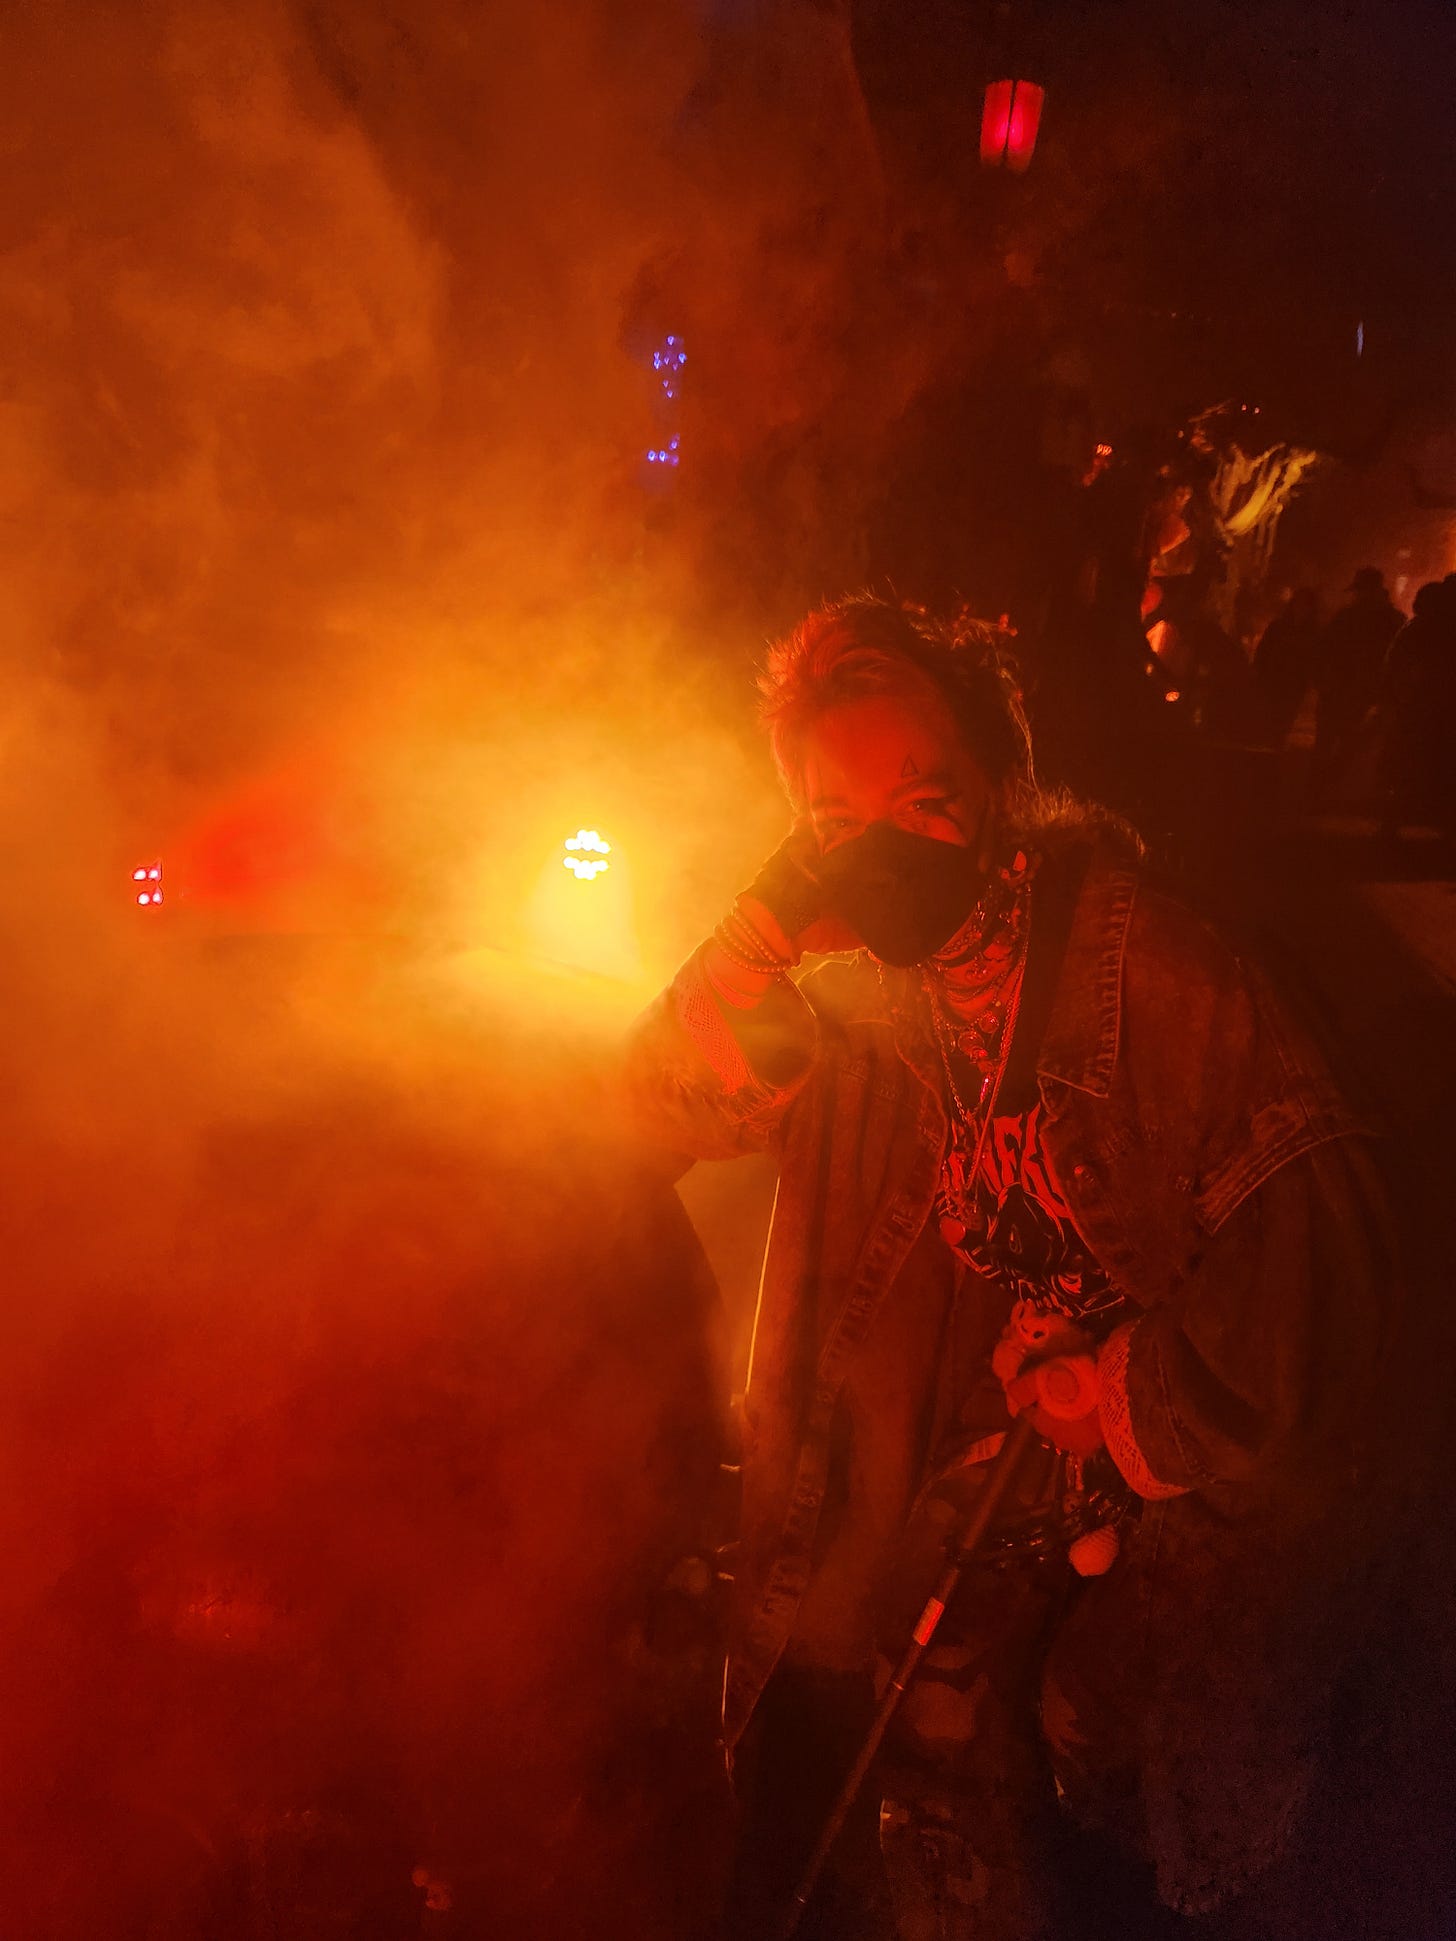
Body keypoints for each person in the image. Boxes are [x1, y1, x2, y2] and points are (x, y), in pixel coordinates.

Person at [623, 595, 1390, 1941]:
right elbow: (654, 1105)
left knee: (1076, 1759)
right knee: (926, 1737)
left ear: (1000, 785)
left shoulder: (1146, 969)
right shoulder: (873, 993)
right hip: (1007, 1461)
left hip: (1212, 1494)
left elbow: (1317, 1292)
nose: (887, 847)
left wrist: (1113, 1392)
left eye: (926, 797)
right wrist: (758, 924)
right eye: (834, 821)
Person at [1376, 578, 1456, 846]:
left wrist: (1395, 700)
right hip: (1431, 710)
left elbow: (1395, 665)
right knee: (1434, 768)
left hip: (1418, 710)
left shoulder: (1418, 628)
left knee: (1407, 766)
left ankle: (1392, 822)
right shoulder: (1425, 629)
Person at [1311, 567, 1404, 799]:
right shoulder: (1391, 620)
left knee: (1341, 741)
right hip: (1354, 691)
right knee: (1345, 742)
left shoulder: (1350, 618)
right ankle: (1324, 785)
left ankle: (1321, 786)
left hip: (1352, 691)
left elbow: (1325, 650)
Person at [1252, 586, 1322, 746]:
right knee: (1267, 718)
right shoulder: (1278, 627)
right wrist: (1257, 672)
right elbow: (1264, 651)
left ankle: (1274, 748)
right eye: (1299, 604)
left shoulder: (1313, 632)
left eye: (1306, 605)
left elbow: (1315, 657)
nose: (1302, 609)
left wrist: (1311, 678)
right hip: (1271, 681)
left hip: (1294, 685)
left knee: (1284, 720)